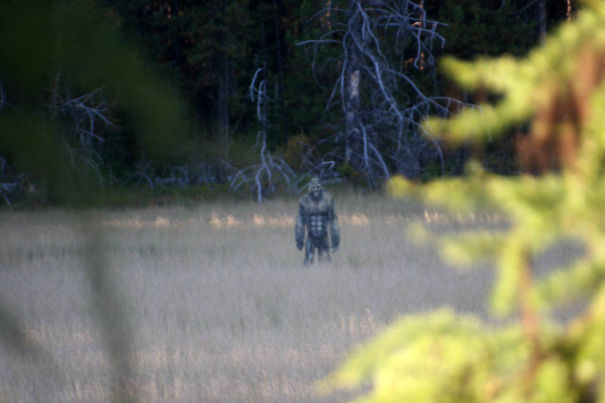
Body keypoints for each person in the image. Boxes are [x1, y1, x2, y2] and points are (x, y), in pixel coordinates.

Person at [295, 177, 340, 265]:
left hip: (324, 236)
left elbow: (333, 222)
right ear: (309, 188)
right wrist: (299, 239)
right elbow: (300, 222)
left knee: (325, 262)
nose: (315, 190)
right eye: (313, 187)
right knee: (308, 261)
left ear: (321, 187)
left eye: (317, 187)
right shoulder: (304, 201)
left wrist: (335, 241)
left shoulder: (327, 200)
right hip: (310, 236)